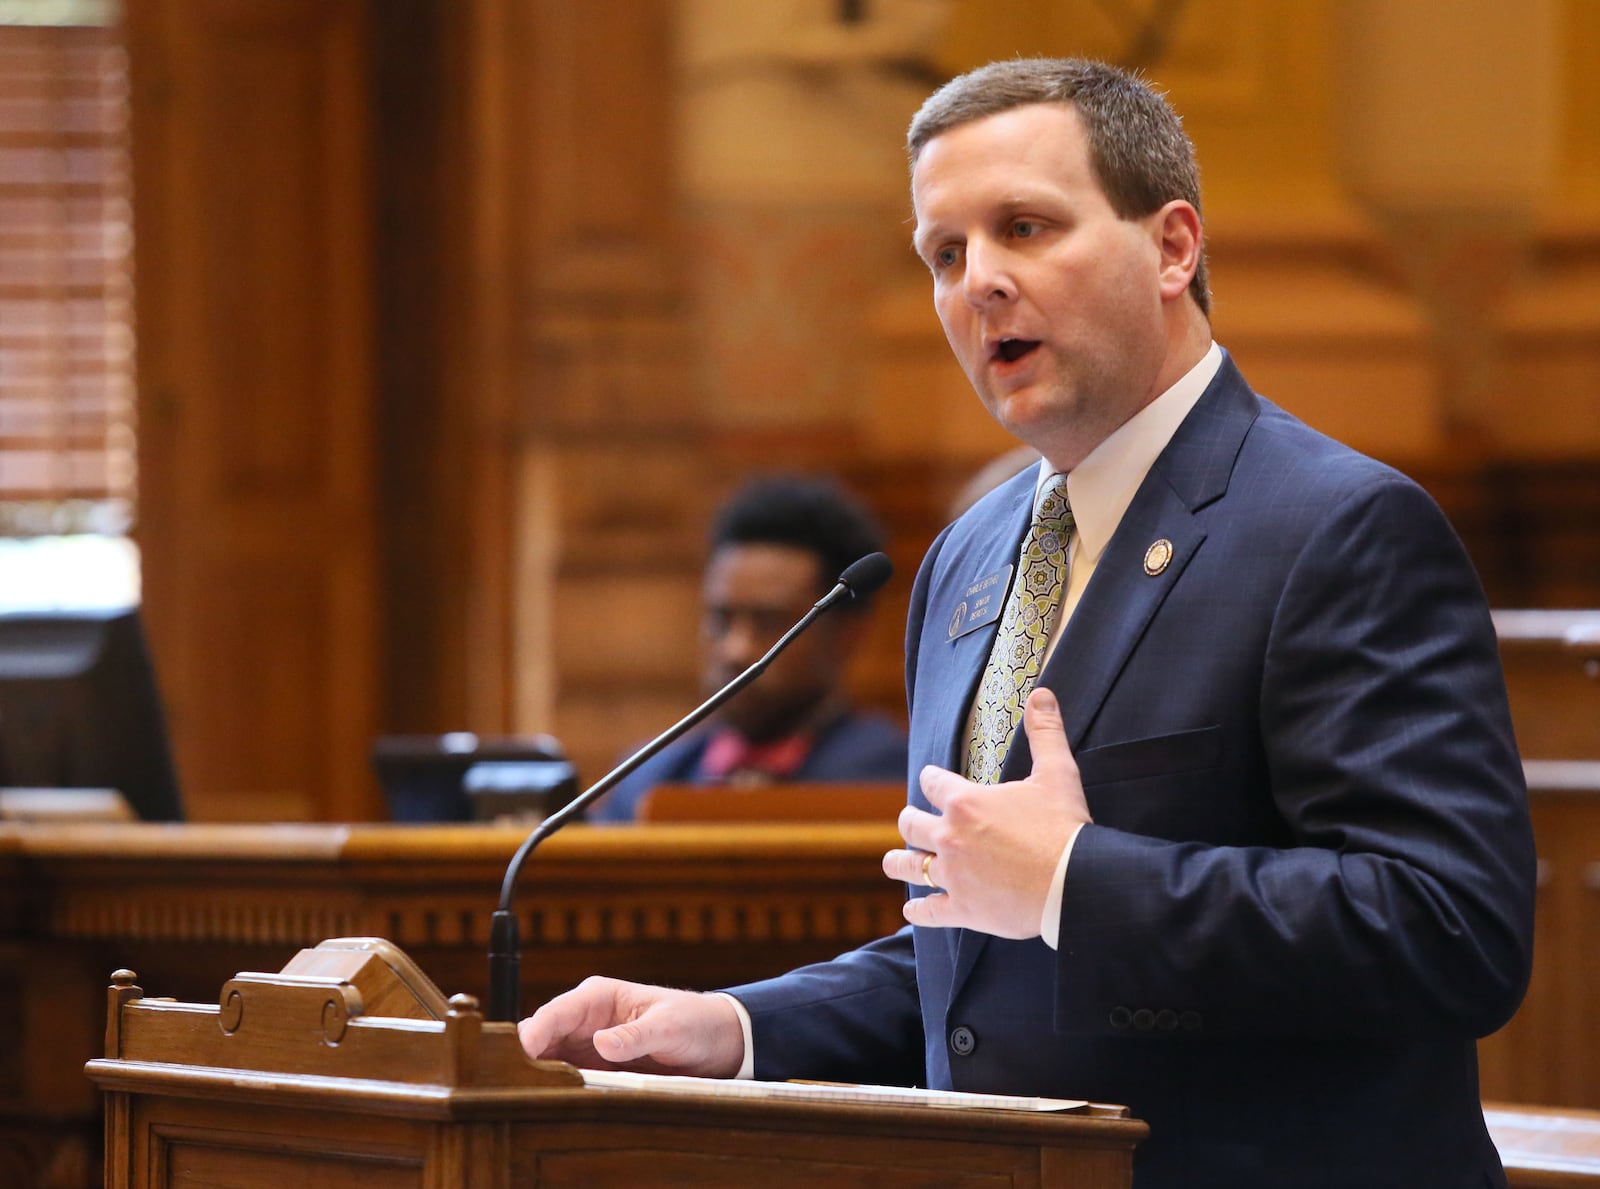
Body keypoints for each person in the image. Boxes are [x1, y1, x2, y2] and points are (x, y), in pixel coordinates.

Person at [522, 58, 1536, 1188]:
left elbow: (1451, 928)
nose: (979, 284)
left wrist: (1075, 880)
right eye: (944, 255)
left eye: (1023, 227)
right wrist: (737, 1027)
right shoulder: (966, 555)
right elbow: (979, 955)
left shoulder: (1340, 528)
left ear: (1172, 247)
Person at [586, 473, 907, 822]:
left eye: (770, 623)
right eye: (721, 620)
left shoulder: (887, 776)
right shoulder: (648, 778)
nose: (735, 649)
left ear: (847, 635)